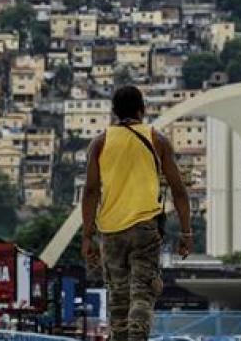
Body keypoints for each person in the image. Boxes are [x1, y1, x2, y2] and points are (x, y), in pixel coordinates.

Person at [81, 85, 193, 341]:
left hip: (110, 231)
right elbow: (179, 190)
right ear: (142, 110)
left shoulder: (100, 143)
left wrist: (87, 236)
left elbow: (90, 192)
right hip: (145, 228)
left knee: (118, 296)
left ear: (114, 112)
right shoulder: (157, 139)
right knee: (142, 291)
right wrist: (186, 232)